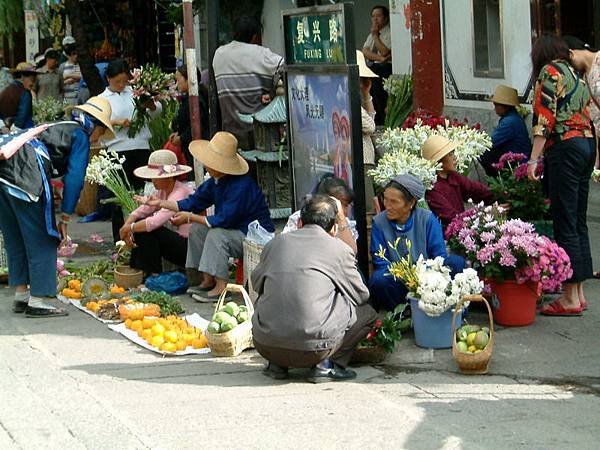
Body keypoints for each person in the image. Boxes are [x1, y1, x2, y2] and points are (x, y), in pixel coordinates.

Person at [0, 96, 114, 317]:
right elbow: (74, 178)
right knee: (42, 236)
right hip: (26, 175)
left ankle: (21, 294)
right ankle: (38, 300)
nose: (98, 139)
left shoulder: (55, 126)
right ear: (94, 125)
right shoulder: (80, 134)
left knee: (16, 236)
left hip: (3, 173)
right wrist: (65, 216)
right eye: (101, 132)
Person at [252, 195, 376, 383]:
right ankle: (326, 365)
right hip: (316, 348)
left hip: (265, 344)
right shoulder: (339, 249)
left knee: (273, 294)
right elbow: (361, 295)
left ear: (300, 222)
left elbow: (255, 283)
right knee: (367, 313)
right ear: (334, 228)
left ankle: (277, 365)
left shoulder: (275, 243)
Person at [143, 132, 274, 301]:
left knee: (217, 234)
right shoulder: (216, 182)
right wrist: (160, 204)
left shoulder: (242, 186)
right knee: (198, 229)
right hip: (234, 230)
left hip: (254, 236)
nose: (207, 166)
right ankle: (206, 279)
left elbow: (224, 220)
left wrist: (189, 217)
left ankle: (221, 286)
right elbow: (192, 203)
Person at [529, 35, 595, 316]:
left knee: (564, 219)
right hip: (587, 144)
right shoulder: (578, 74)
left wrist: (534, 159)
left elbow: (545, 118)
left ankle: (569, 296)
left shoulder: (550, 72)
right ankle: (578, 292)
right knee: (578, 220)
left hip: (565, 148)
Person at [369, 174, 465, 311]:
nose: (387, 206)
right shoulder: (379, 223)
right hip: (398, 281)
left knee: (456, 263)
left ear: (411, 203)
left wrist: (422, 276)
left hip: (429, 279)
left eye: (394, 202)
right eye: (385, 199)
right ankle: (401, 313)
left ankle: (450, 309)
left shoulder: (427, 219)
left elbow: (439, 256)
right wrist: (406, 277)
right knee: (378, 279)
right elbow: (380, 261)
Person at [99, 59, 162, 241]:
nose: (121, 85)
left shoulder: (135, 92)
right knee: (119, 197)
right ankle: (121, 240)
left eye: (124, 81)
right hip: (116, 151)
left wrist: (150, 104)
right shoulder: (102, 99)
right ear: (108, 79)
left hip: (140, 147)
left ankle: (143, 236)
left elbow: (155, 111)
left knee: (143, 193)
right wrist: (117, 123)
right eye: (117, 81)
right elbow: (96, 123)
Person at [213, 15, 284, 150]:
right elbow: (288, 69)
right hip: (259, 135)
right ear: (254, 37)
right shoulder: (261, 54)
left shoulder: (219, 54)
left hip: (230, 137)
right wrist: (273, 94)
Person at [119, 150, 194, 277]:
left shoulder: (180, 192)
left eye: (156, 177)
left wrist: (129, 228)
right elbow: (142, 210)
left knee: (146, 229)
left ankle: (151, 272)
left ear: (169, 176)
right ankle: (138, 271)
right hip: (178, 244)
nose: (153, 181)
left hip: (190, 248)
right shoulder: (163, 191)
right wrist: (128, 224)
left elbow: (155, 222)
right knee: (139, 226)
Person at [422, 135, 494, 230]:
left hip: (464, 230)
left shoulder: (453, 176)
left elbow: (476, 190)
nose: (455, 157)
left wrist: (501, 194)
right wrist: (488, 213)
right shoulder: (432, 188)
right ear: (439, 161)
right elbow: (451, 218)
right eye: (450, 154)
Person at [283, 177, 358, 254]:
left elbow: (351, 252)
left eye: (346, 205)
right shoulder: (301, 216)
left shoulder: (345, 222)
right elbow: (286, 247)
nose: (344, 210)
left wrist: (341, 218)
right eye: (342, 204)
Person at [480, 85, 531, 176]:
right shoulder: (513, 117)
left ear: (506, 107)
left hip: (519, 160)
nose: (494, 108)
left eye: (496, 105)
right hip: (517, 155)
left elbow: (490, 143)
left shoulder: (509, 122)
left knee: (484, 153)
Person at [170, 63, 209, 171]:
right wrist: (179, 133)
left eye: (179, 80)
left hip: (198, 148)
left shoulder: (196, 100)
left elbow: (198, 125)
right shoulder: (188, 99)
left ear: (189, 79)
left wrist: (182, 138)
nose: (177, 84)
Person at [362, 5, 392, 125]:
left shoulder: (389, 32)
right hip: (377, 66)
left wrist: (375, 36)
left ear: (385, 18)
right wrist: (379, 58)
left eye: (378, 16)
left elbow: (385, 51)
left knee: (381, 97)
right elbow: (365, 51)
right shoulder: (373, 33)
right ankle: (376, 119)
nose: (375, 19)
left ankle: (381, 120)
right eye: (373, 16)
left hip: (387, 69)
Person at [357, 50, 378, 213]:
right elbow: (370, 126)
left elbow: (370, 118)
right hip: (361, 160)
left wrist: (367, 95)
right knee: (368, 208)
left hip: (363, 158)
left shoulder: (356, 99)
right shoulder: (349, 101)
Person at [0, 62, 37, 130]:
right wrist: (13, 130)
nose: (33, 82)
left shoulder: (6, 89)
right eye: (32, 79)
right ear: (22, 77)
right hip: (23, 131)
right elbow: (22, 117)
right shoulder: (25, 93)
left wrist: (3, 126)